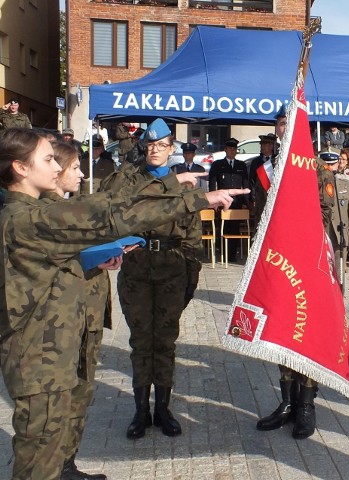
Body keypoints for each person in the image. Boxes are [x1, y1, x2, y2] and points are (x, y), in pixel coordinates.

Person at [0, 127, 244, 480]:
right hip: (39, 359)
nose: (59, 167)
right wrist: (197, 198)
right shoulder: (29, 219)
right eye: (49, 159)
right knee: (39, 456)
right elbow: (112, 213)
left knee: (52, 446)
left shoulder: (36, 211)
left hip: (53, 350)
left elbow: (88, 225)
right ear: (21, 168)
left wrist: (92, 259)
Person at [100, 119, 211, 440]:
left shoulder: (182, 187)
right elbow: (107, 195)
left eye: (161, 145)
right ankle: (140, 411)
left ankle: (162, 408)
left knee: (164, 342)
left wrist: (191, 279)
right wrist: (130, 161)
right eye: (149, 146)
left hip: (171, 273)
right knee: (140, 342)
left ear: (172, 149)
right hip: (136, 271)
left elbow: (193, 239)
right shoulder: (130, 183)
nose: (155, 151)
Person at [254, 105, 333, 440]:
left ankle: (306, 406)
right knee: (282, 330)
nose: (286, 128)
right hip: (276, 263)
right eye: (282, 123)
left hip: (306, 263)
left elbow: (325, 214)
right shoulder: (266, 169)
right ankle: (286, 402)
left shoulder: (316, 168)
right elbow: (260, 216)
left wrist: (297, 238)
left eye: (292, 123)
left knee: (308, 335)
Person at [47, 141, 114, 480]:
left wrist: (105, 258)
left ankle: (67, 464)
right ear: (55, 172)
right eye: (75, 168)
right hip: (63, 322)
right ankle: (52, 468)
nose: (83, 174)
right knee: (58, 402)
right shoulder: (43, 214)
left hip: (88, 313)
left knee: (81, 394)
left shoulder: (73, 205)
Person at [319, 147, 349, 283]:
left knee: (338, 276)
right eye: (326, 164)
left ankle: (339, 301)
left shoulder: (346, 185)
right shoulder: (312, 184)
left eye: (332, 164)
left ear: (338, 164)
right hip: (320, 233)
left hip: (338, 235)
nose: (329, 167)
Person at [208, 137, 249, 261]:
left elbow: (245, 184)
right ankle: (223, 253)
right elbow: (212, 183)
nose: (232, 151)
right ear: (225, 150)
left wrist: (245, 202)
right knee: (222, 227)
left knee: (234, 228)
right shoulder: (217, 164)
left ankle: (232, 255)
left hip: (236, 202)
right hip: (221, 201)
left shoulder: (241, 165)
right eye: (230, 148)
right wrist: (213, 201)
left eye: (234, 149)